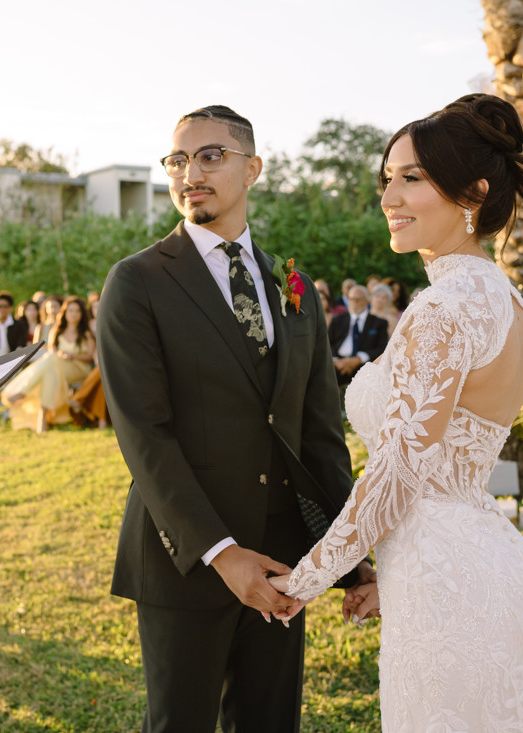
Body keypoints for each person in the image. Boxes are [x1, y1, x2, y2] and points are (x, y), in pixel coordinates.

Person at [271, 93, 523, 730]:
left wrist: (303, 579)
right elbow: (449, 465)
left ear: (473, 193)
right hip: (484, 566)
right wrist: (395, 580)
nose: (389, 198)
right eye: (387, 179)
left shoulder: (443, 309)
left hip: (447, 590)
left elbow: (398, 474)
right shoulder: (508, 303)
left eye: (412, 178)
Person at [97, 105, 373, 732]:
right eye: (178, 160)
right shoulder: (137, 281)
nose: (190, 173)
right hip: (187, 562)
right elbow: (144, 435)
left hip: (283, 563)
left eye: (210, 156)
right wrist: (222, 554)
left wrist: (346, 555)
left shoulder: (293, 284)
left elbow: (320, 434)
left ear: (253, 169)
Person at [4, 296, 95, 433]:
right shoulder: (57, 331)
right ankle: (43, 416)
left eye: (77, 311)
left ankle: (24, 392)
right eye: (71, 310)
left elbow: (90, 357)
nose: (74, 314)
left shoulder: (86, 333)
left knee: (50, 361)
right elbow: (52, 350)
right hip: (58, 366)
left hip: (80, 368)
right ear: (65, 313)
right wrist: (61, 354)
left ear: (82, 314)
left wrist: (72, 356)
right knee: (50, 369)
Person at [327, 284, 389, 385]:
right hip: (336, 365)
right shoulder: (337, 320)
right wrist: (336, 361)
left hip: (364, 367)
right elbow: (327, 344)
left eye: (358, 299)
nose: (354, 302)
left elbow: (382, 349)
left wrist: (359, 359)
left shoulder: (379, 323)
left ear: (367, 300)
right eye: (351, 299)